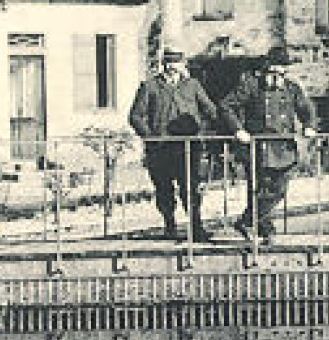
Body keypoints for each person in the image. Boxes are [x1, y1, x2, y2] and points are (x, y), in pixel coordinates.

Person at [220, 46, 317, 242]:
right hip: (258, 146)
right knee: (259, 189)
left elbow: (307, 109)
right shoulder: (251, 85)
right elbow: (226, 106)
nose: (276, 76)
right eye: (272, 70)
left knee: (279, 190)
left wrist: (309, 126)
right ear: (265, 69)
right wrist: (238, 130)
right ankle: (266, 231)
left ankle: (247, 222)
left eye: (281, 71)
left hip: (284, 148)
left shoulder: (292, 88)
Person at [129, 47, 220, 240]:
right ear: (163, 65)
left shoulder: (192, 85)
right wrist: (150, 137)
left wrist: (200, 129)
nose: (172, 67)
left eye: (176, 63)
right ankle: (169, 225)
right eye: (169, 63)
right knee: (164, 189)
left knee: (190, 188)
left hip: (188, 147)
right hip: (160, 149)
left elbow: (211, 110)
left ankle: (196, 229)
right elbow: (135, 116)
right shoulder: (150, 86)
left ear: (182, 65)